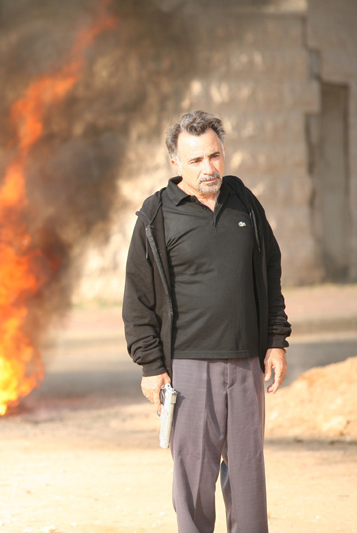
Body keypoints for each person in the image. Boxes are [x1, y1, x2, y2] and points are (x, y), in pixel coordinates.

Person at [122, 110, 291, 532]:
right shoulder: (157, 215)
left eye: (214, 156)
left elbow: (270, 271)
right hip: (188, 371)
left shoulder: (244, 204)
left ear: (223, 153)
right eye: (196, 160)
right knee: (194, 487)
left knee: (249, 483)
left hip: (245, 367)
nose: (208, 168)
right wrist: (151, 366)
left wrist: (276, 339)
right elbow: (138, 296)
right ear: (175, 164)